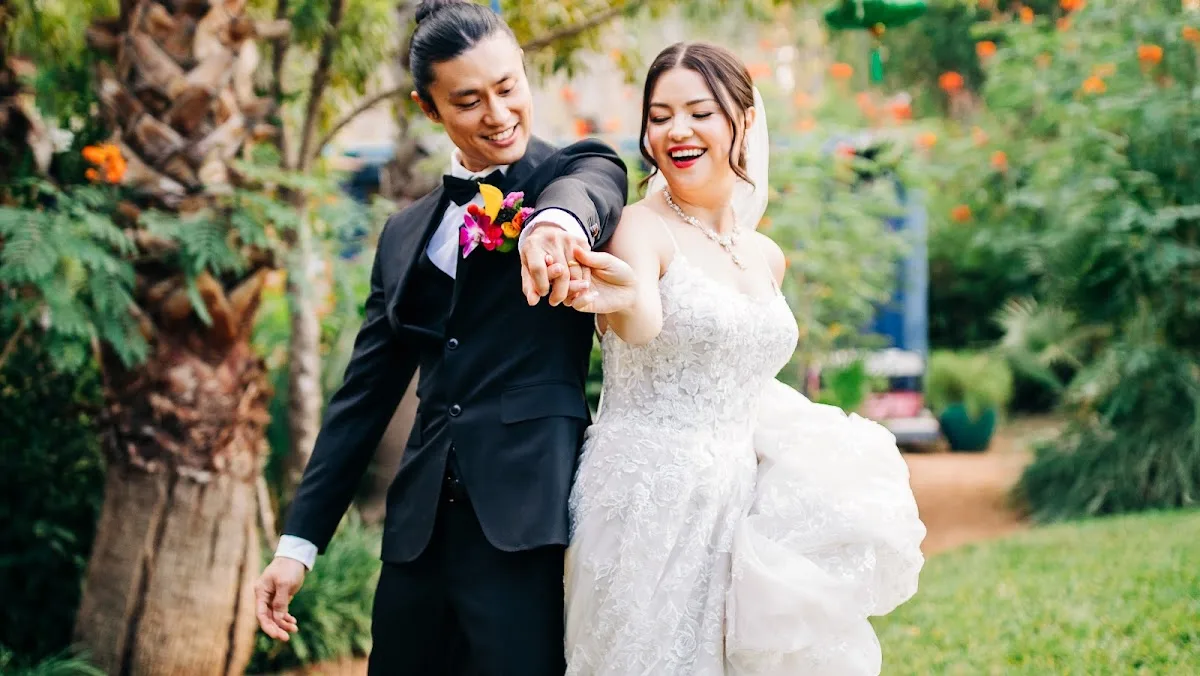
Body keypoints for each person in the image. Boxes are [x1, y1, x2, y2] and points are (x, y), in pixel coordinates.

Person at [251, 1, 628, 674]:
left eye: (509, 86)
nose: (500, 113)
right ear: (431, 110)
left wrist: (554, 227)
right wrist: (297, 545)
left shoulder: (574, 170)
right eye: (471, 100)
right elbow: (361, 400)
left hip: (526, 523)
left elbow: (591, 191)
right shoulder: (403, 234)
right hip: (417, 537)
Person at [561, 42, 926, 675]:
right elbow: (642, 319)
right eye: (660, 115)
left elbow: (750, 381)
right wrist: (617, 298)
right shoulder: (640, 228)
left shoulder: (765, 255)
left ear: (743, 120)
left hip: (740, 501)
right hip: (650, 497)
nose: (678, 130)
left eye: (699, 112)